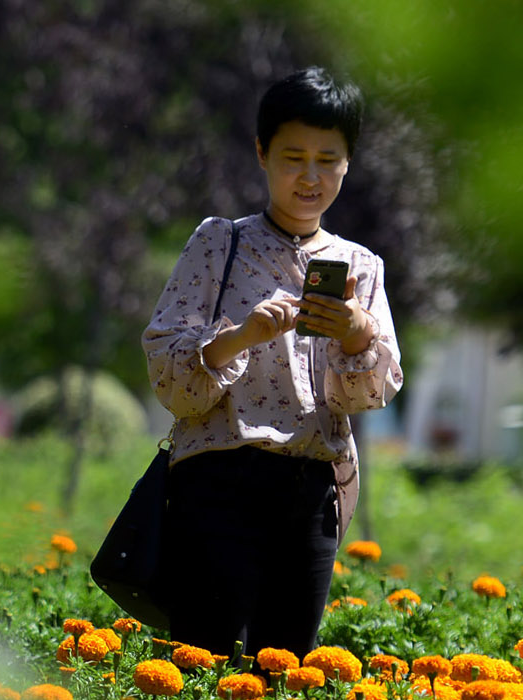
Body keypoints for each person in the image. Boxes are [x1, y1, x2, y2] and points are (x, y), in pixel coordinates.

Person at [142, 67, 403, 661]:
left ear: (347, 163)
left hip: (313, 489)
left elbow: (373, 390)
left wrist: (359, 333)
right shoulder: (219, 242)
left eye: (327, 159)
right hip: (218, 481)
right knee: (200, 664)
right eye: (293, 156)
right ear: (261, 153)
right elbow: (167, 370)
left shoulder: (360, 266)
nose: (309, 176)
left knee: (284, 673)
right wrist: (243, 337)